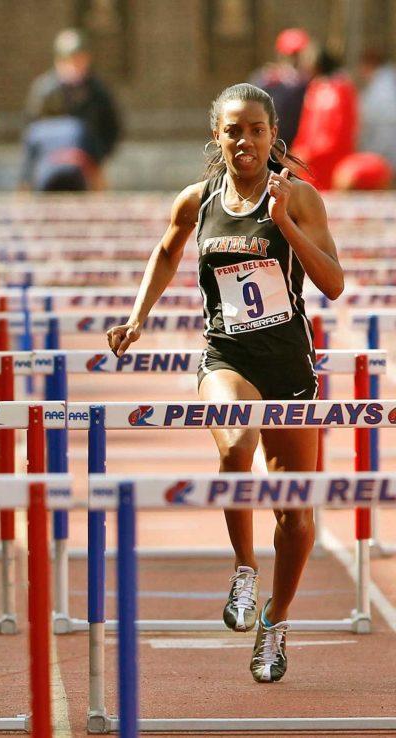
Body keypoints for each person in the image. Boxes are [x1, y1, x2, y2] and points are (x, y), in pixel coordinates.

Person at [106, 83, 343, 683]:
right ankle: (244, 568)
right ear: (218, 135)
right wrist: (138, 317)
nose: (244, 141)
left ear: (272, 135)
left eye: (255, 130)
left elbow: (334, 283)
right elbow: (166, 252)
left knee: (298, 517)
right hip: (226, 358)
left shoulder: (301, 198)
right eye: (233, 130)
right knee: (236, 448)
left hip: (289, 365)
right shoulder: (198, 200)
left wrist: (285, 222)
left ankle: (277, 621)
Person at [26, 28, 120, 184]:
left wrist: (98, 156)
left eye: (79, 60)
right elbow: (32, 131)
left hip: (88, 163)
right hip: (49, 163)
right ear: (59, 62)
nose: (75, 66)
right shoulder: (45, 91)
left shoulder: (97, 91)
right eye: (69, 60)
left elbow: (111, 127)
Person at [291, 47, 358, 190]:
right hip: (310, 165)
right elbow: (305, 126)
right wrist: (298, 151)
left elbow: (341, 130)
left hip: (331, 162)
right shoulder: (315, 88)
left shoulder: (340, 89)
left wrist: (312, 153)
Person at [20, 85, 100, 191]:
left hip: (47, 179)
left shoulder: (36, 130)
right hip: (75, 177)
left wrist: (21, 201)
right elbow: (93, 165)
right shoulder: (79, 126)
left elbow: (27, 173)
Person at [250, 28, 310, 146]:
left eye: (298, 55)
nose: (295, 60)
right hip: (274, 144)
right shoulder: (267, 80)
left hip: (301, 147)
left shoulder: (312, 83)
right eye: (292, 55)